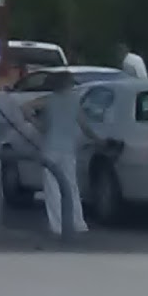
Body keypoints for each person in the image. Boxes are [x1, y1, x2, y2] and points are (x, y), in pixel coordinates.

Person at [39, 76, 88, 237]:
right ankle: (78, 222)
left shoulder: (49, 100)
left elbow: (25, 107)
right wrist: (98, 140)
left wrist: (32, 120)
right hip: (68, 149)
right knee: (71, 186)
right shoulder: (75, 102)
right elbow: (84, 125)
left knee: (52, 187)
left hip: (50, 148)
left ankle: (57, 225)